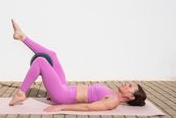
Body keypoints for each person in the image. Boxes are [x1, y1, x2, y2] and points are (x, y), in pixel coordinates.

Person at [9, 19, 147, 112]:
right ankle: (22, 37)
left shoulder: (113, 101)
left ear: (131, 97)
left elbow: (88, 107)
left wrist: (61, 107)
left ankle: (21, 93)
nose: (127, 84)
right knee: (52, 55)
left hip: (62, 95)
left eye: (130, 86)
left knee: (41, 61)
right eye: (129, 83)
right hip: (64, 89)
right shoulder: (112, 93)